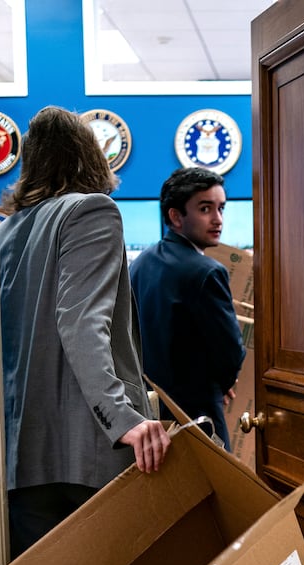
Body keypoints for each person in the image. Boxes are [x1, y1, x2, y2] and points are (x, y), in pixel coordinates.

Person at [0, 105, 170, 565]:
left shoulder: (14, 229)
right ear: (90, 159)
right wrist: (125, 418)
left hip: (22, 457)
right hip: (86, 455)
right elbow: (82, 321)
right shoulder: (93, 212)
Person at [129, 167, 246, 450]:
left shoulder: (140, 263)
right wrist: (223, 381)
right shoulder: (207, 271)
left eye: (221, 208)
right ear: (176, 216)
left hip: (150, 417)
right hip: (198, 416)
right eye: (205, 209)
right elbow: (230, 352)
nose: (217, 219)